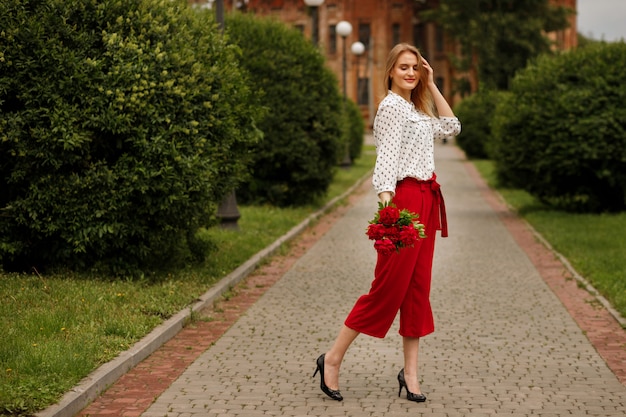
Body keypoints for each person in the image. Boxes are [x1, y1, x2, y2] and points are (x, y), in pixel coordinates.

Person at [313, 43, 461, 402]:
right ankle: (331, 359)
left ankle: (410, 374)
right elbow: (385, 163)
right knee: (387, 288)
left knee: (416, 289)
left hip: (428, 199)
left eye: (415, 68)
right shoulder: (392, 108)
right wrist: (389, 212)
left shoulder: (416, 108)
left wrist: (433, 81)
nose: (411, 73)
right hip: (406, 202)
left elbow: (453, 126)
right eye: (404, 67)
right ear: (391, 72)